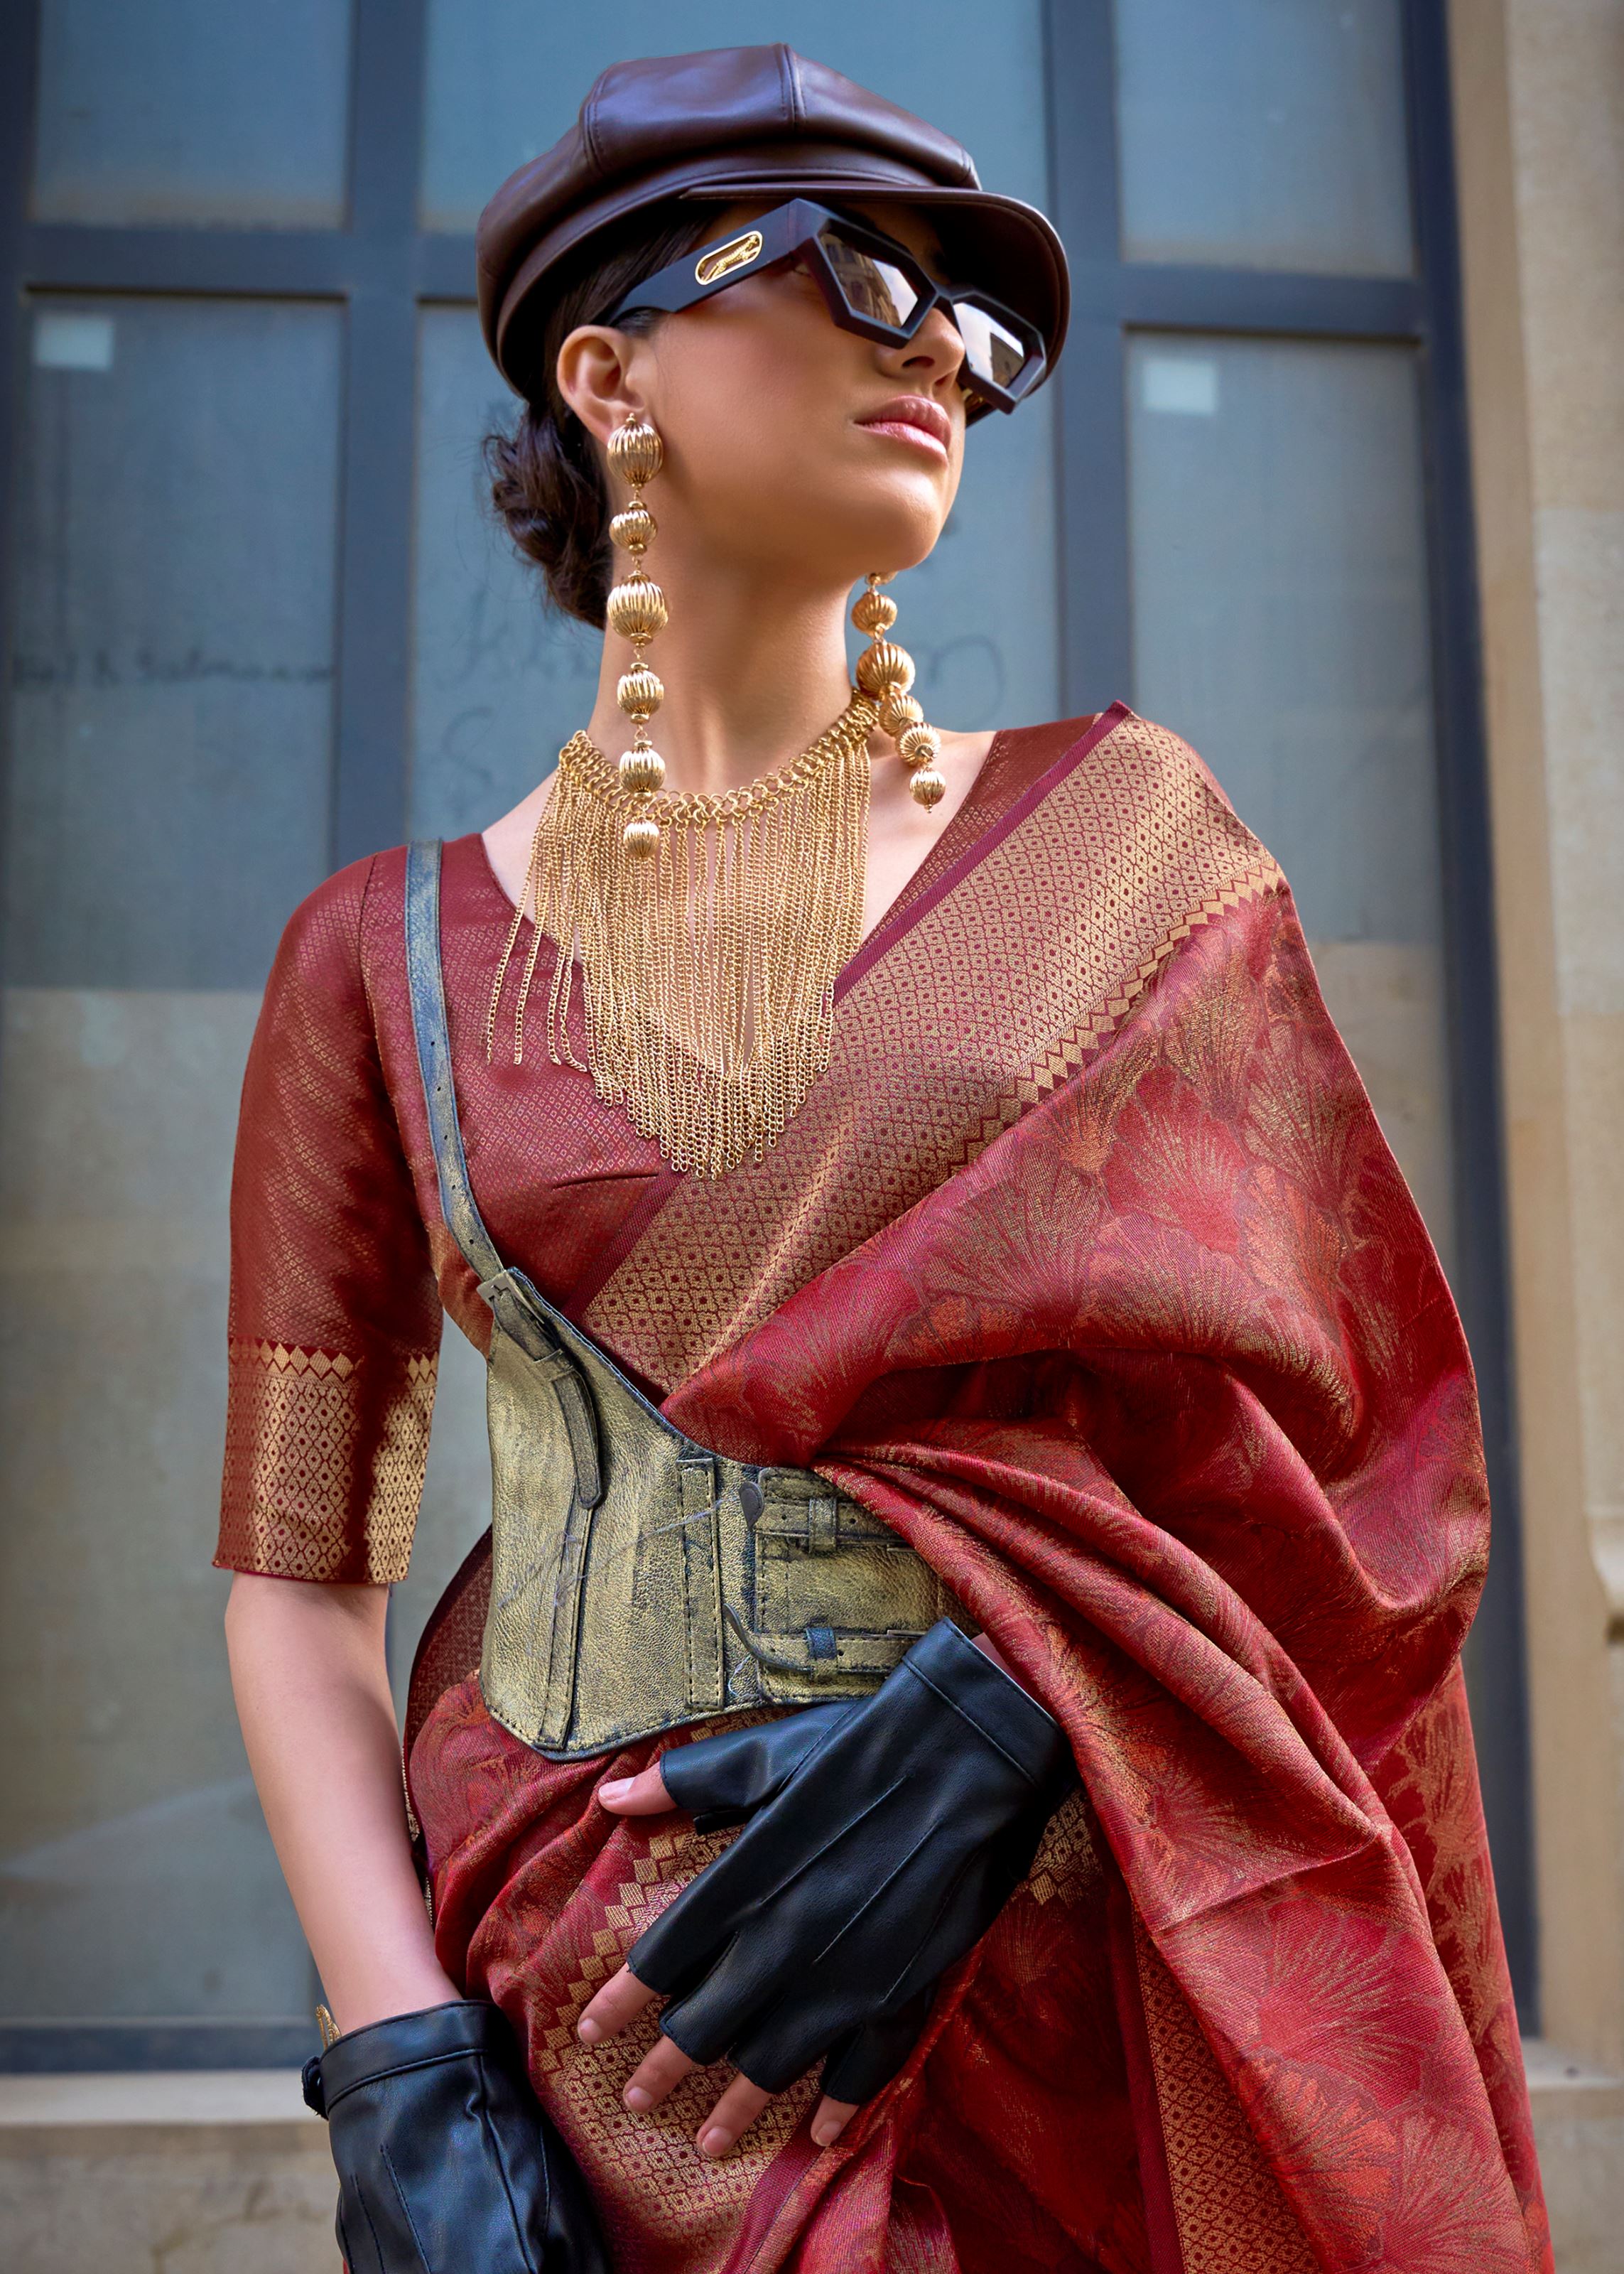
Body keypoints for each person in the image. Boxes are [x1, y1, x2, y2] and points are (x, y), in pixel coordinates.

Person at [217, 43, 1550, 2274]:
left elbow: (1364, 1459)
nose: (934, 344)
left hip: (1076, 1986)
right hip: (609, 2023)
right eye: (849, 271)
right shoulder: (380, 966)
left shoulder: (1124, 855)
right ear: (608, 374)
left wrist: (1016, 1701)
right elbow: (296, 1577)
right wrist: (404, 2072)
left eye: (969, 314)